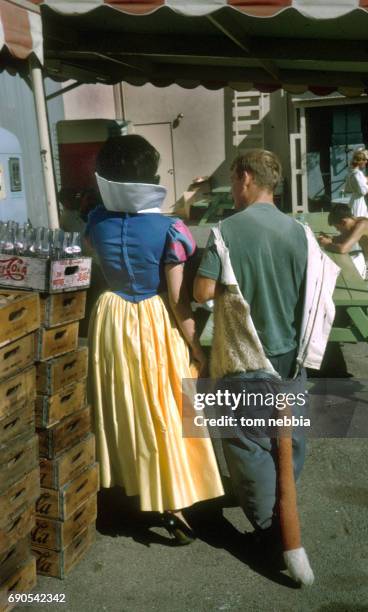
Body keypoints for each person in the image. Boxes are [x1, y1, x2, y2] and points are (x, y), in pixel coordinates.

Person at [193, 149, 339, 585]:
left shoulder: (225, 232)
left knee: (247, 447)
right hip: (292, 358)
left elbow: (202, 291)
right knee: (289, 444)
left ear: (245, 178)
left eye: (234, 181)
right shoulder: (302, 233)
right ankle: (285, 515)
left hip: (244, 359)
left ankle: (273, 533)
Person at [85, 135, 224, 543]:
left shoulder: (96, 220)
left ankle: (135, 483)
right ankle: (173, 498)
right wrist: (197, 346)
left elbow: (98, 253)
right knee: (164, 406)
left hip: (111, 316)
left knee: (126, 403)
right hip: (151, 317)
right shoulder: (171, 230)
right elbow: (180, 302)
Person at [319, 204, 368, 279]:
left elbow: (343, 249)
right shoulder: (356, 221)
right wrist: (330, 238)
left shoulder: (362, 225)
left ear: (343, 222)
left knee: (342, 278)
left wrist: (326, 244)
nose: (338, 230)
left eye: (337, 227)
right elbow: (344, 237)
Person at [344, 147, 368, 219]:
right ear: (359, 161)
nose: (366, 162)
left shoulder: (351, 172)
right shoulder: (358, 174)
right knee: (360, 221)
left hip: (354, 200)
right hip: (360, 203)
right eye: (365, 160)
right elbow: (363, 191)